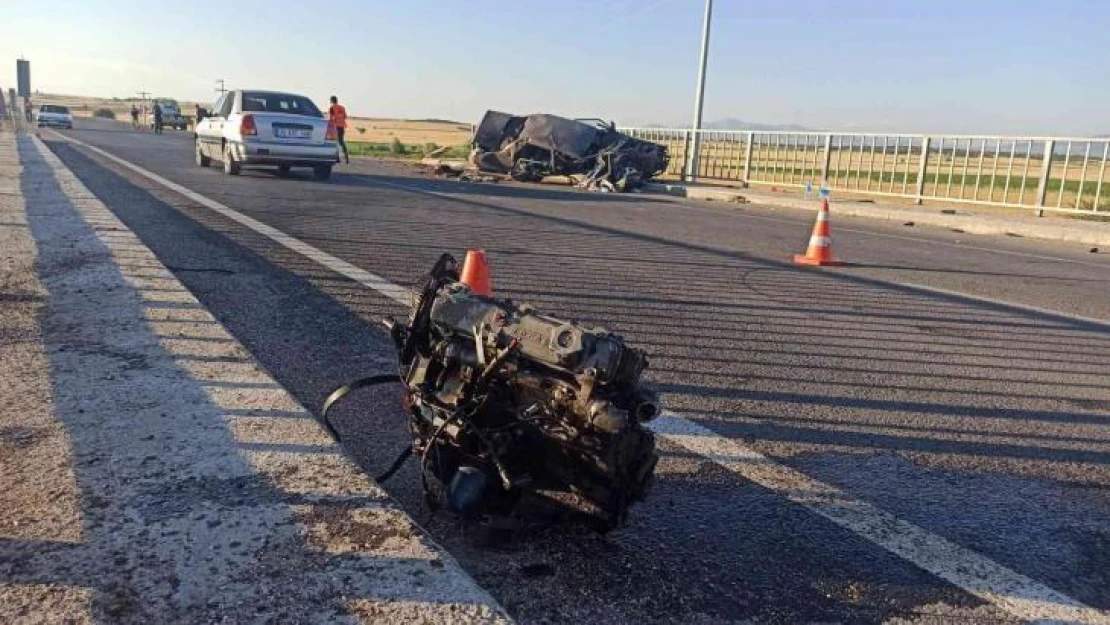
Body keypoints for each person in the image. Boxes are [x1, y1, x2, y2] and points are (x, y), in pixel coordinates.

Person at [327, 95, 349, 164]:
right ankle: (346, 158)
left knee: (335, 142)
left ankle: (337, 158)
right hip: (342, 126)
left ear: (331, 101)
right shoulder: (342, 107)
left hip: (335, 127)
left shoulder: (331, 108)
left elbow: (330, 118)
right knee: (341, 142)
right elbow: (345, 116)